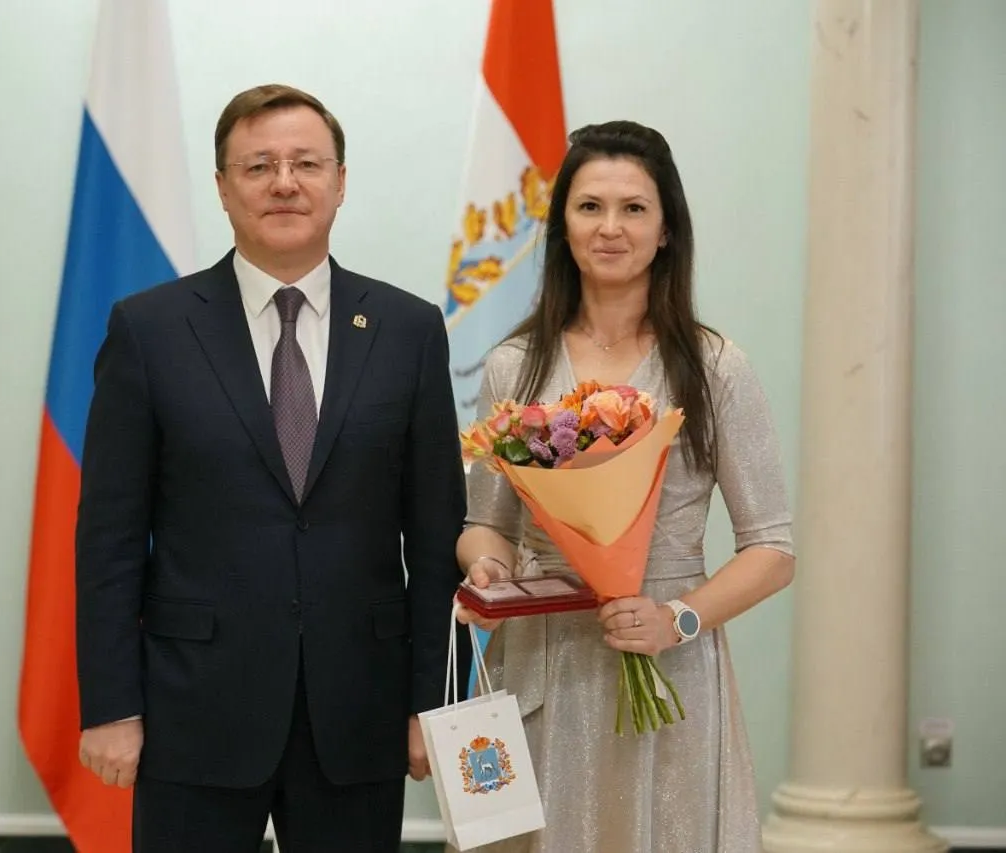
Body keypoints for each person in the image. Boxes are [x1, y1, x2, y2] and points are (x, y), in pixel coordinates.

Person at [71, 83, 468, 853]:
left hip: (358, 708)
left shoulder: (409, 329)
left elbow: (434, 535)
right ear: (223, 187)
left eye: (306, 163)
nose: (285, 182)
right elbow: (109, 538)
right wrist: (113, 704)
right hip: (193, 709)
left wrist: (436, 699)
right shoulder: (150, 330)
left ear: (340, 182)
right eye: (259, 166)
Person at [454, 120, 796, 852]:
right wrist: (488, 567)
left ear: (666, 229)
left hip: (669, 664)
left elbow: (773, 549)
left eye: (634, 208)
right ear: (563, 226)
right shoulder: (514, 365)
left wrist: (679, 619)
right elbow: (488, 525)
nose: (610, 228)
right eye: (590, 207)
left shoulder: (715, 367)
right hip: (544, 656)